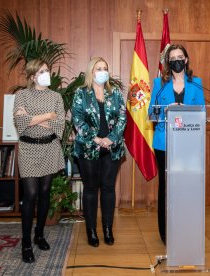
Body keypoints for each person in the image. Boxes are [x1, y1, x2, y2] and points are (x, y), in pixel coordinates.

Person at [148, 44, 205, 244]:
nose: (177, 61)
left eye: (180, 57)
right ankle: (164, 232)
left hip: (188, 143)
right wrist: (166, 110)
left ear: (186, 60)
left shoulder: (197, 83)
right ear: (168, 62)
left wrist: (185, 109)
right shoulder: (159, 84)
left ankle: (185, 227)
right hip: (164, 143)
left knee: (186, 186)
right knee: (166, 187)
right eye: (173, 58)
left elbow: (203, 112)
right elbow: (151, 113)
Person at [14, 59, 65, 263]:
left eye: (47, 70)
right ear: (33, 76)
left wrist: (33, 118)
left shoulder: (56, 97)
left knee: (44, 193)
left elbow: (59, 124)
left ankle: (39, 234)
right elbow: (21, 123)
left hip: (50, 148)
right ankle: (26, 243)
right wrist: (47, 116)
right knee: (31, 194)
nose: (47, 74)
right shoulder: (21, 95)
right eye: (42, 71)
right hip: (28, 148)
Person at [72, 57, 126, 247]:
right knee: (90, 189)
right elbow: (77, 119)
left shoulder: (116, 93)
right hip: (88, 148)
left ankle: (108, 229)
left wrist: (111, 138)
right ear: (91, 72)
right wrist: (95, 139)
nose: (103, 71)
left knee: (109, 188)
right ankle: (91, 231)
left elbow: (122, 118)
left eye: (105, 68)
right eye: (98, 68)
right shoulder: (81, 93)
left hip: (112, 148)